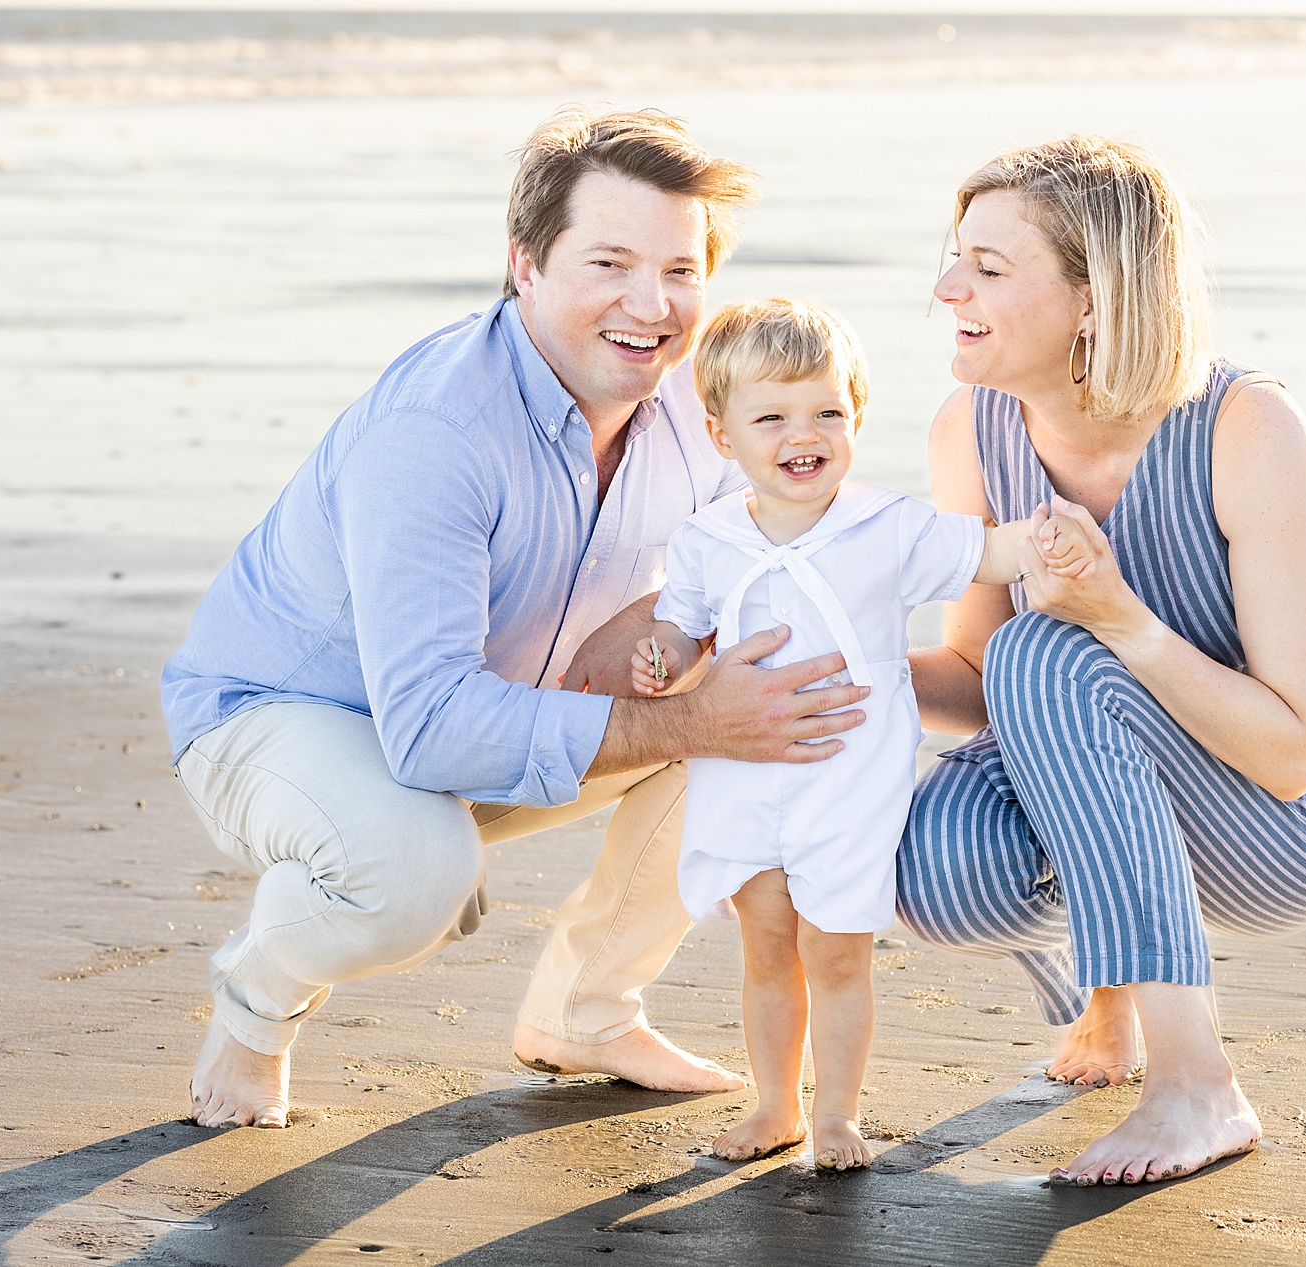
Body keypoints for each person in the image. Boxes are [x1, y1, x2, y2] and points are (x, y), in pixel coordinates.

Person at [160, 108, 879, 1129]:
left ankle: (586, 1012)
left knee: (765, 713)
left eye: (680, 269)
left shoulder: (699, 399)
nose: (651, 304)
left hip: (491, 704)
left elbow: (792, 553)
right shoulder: (435, 432)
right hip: (284, 720)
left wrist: (666, 624)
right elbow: (429, 729)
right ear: (525, 266)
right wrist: (686, 715)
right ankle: (255, 1001)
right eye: (609, 263)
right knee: (415, 871)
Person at [896, 136, 1306, 1185]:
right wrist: (832, 656)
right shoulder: (972, 424)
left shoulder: (1245, 424)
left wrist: (1120, 617)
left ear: (1096, 297)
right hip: (1125, 767)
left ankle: (1196, 1085)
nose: (946, 286)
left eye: (989, 269)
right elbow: (977, 678)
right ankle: (1117, 991)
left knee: (1050, 647)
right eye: (955, 256)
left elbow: (1289, 754)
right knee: (937, 871)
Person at [630, 298, 1090, 1169]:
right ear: (722, 434)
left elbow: (987, 554)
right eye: (771, 417)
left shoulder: (888, 525)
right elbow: (683, 629)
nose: (803, 435)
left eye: (827, 413)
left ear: (857, 417)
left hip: (846, 790)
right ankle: (776, 1107)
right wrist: (662, 658)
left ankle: (835, 1115)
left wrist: (1045, 532)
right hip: (744, 779)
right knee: (766, 947)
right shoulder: (704, 538)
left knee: (836, 954)